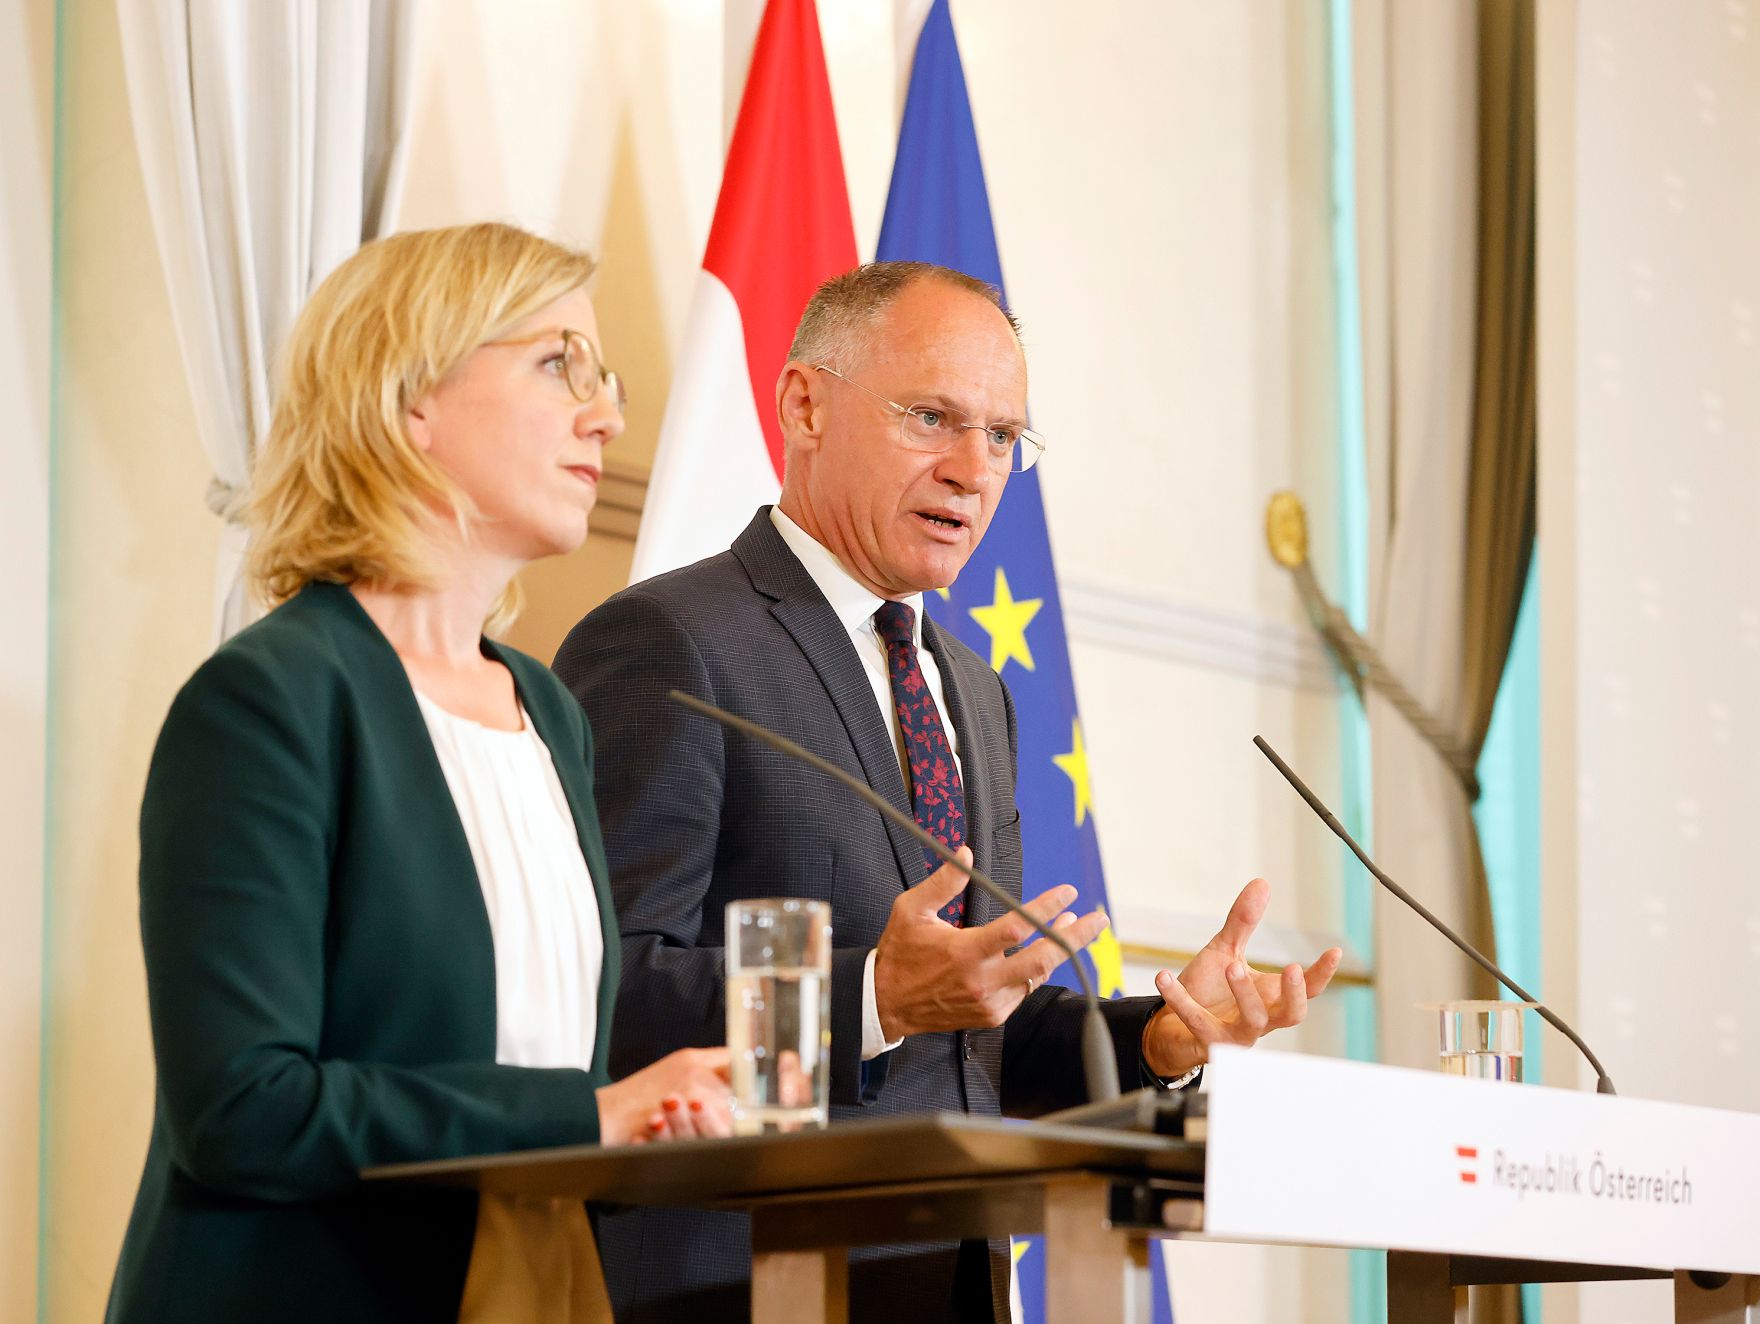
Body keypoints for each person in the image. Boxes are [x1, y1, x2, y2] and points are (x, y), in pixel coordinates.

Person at [552, 261, 1344, 1322]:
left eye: (1004, 435)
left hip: (951, 1282)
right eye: (932, 418)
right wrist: (870, 997)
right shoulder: (671, 643)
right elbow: (603, 999)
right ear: (804, 406)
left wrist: (1160, 1040)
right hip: (736, 1283)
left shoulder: (969, 687)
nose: (973, 471)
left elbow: (974, 1037)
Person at [106, 222, 734, 1324]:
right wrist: (592, 1116)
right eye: (559, 364)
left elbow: (532, 1058)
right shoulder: (269, 700)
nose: (606, 416)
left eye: (607, 379)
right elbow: (244, 1110)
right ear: (408, 401)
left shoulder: (547, 710)